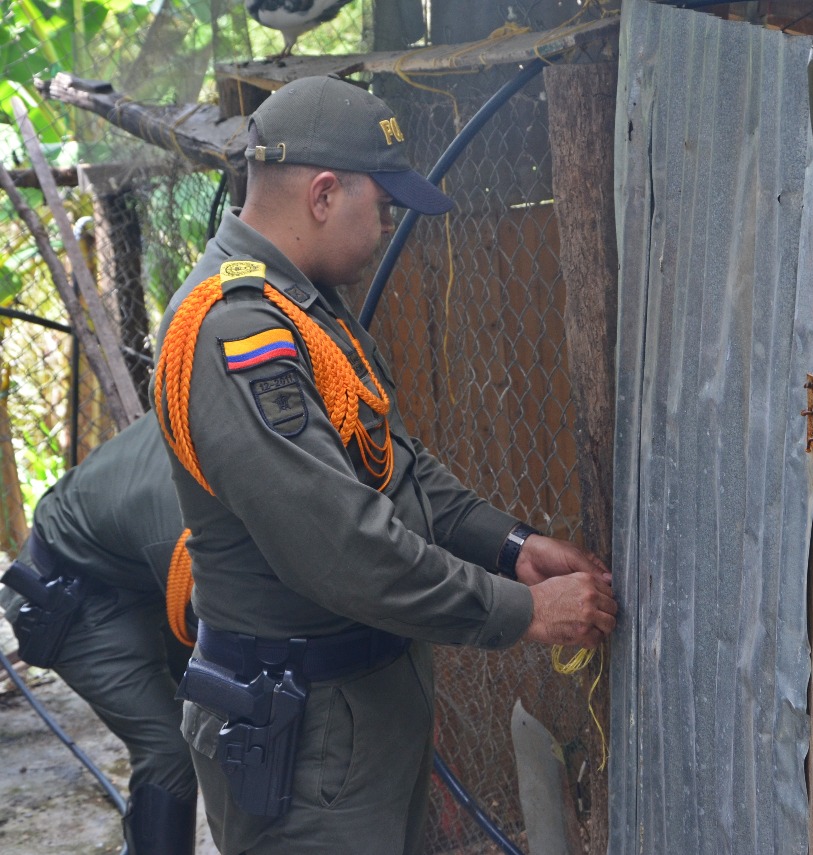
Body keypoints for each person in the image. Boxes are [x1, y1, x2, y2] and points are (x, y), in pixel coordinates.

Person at [150, 74, 618, 854]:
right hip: (305, 741)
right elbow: (342, 548)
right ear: (325, 194)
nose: (392, 221)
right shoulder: (235, 334)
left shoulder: (304, 306)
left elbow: (395, 465)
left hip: (355, 717)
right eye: (386, 203)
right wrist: (522, 611)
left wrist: (512, 546)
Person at [1, 414, 199, 854]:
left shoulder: (222, 400)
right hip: (71, 603)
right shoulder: (180, 511)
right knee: (173, 751)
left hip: (134, 573)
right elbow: (231, 624)